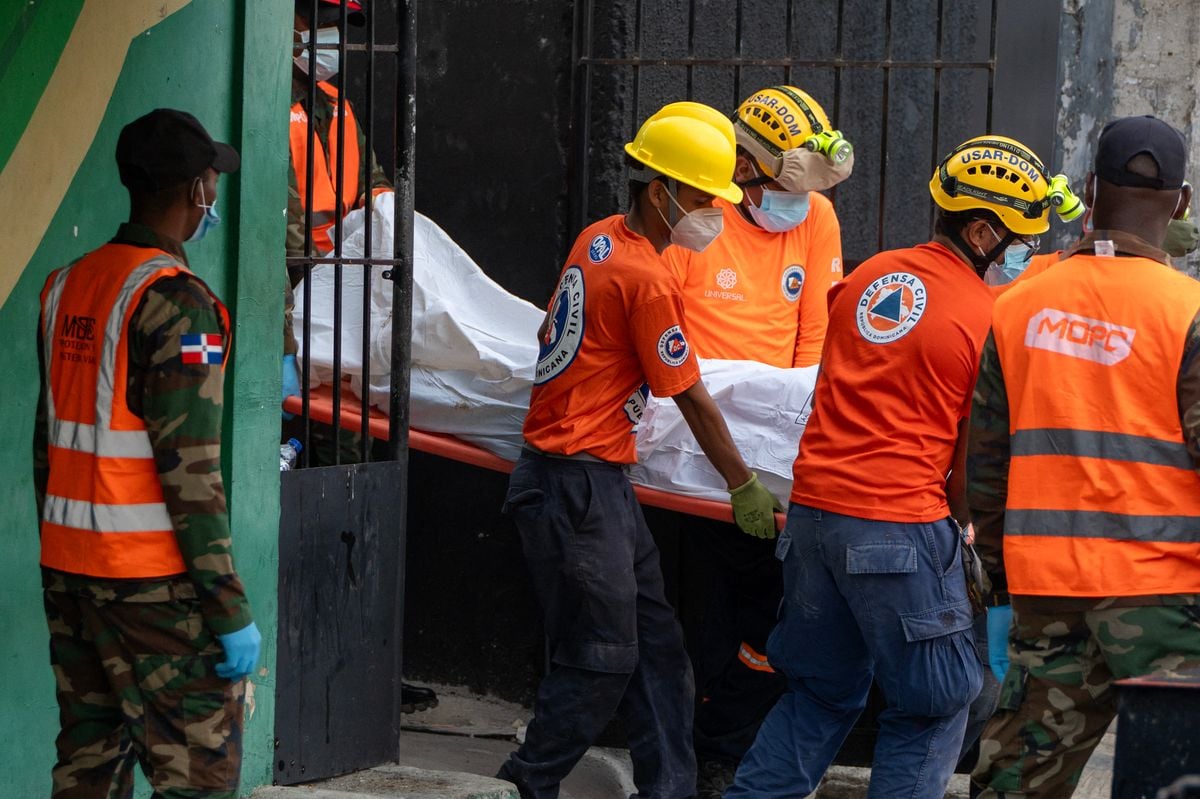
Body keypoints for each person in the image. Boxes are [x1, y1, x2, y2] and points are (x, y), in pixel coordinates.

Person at [727, 134, 1059, 798]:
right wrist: (969, 533)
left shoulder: (867, 277)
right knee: (935, 705)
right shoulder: (987, 318)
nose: (1022, 255)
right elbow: (968, 464)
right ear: (983, 231)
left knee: (818, 694)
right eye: (1020, 241)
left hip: (813, 523)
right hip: (900, 530)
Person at [496, 102, 781, 799]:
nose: (714, 213)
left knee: (657, 653)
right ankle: (521, 786)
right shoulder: (645, 278)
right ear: (660, 193)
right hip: (576, 487)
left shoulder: (598, 239)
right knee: (601, 660)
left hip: (596, 483)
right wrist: (742, 482)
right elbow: (690, 396)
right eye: (701, 199)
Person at [967, 115, 1200, 798]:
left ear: (1091, 188)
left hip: (1047, 591)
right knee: (1173, 781)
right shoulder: (1188, 312)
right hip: (1167, 599)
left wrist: (998, 583)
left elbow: (986, 465)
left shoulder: (1018, 305)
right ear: (1181, 203)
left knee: (1017, 781)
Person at [33, 109, 260, 798]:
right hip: (150, 583)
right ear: (195, 190)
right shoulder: (177, 303)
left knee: (89, 764)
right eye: (211, 181)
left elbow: (46, 445)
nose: (214, 194)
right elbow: (191, 473)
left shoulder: (65, 285)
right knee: (199, 774)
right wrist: (227, 608)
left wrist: (62, 553)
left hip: (70, 571)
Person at [659, 85, 850, 796]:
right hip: (695, 436)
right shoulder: (699, 220)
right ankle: (711, 750)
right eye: (781, 190)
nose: (794, 206)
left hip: (778, 442)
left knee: (770, 610)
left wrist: (793, 438)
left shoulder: (816, 217)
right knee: (715, 603)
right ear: (742, 168)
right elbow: (665, 329)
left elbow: (816, 338)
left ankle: (726, 743)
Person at [284, 0, 391, 417]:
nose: (332, 32)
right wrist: (316, 273)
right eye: (320, 19)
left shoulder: (336, 104)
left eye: (337, 23)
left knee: (347, 412)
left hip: (349, 274)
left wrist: (385, 212)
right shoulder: (268, 103)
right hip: (298, 280)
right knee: (309, 408)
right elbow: (281, 210)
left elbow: (371, 177)